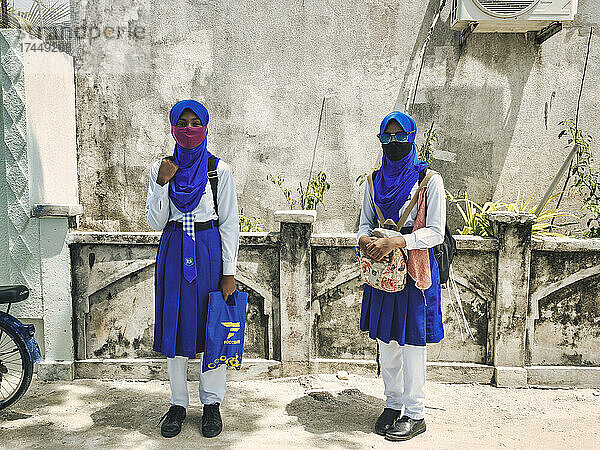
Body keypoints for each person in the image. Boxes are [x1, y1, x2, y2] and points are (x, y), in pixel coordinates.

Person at [145, 99, 240, 439]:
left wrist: (228, 271)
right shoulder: (163, 167)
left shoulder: (219, 170)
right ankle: (177, 403)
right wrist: (160, 183)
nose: (188, 129)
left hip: (208, 251)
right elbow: (155, 220)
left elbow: (229, 224)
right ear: (172, 127)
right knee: (175, 324)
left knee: (212, 325)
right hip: (173, 251)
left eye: (194, 122)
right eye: (181, 123)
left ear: (205, 127)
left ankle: (211, 404)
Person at [356, 111, 445, 441]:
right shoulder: (373, 181)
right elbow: (364, 224)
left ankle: (416, 413)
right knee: (387, 343)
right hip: (381, 272)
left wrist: (400, 240)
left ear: (412, 138)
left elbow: (435, 231)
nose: (394, 143)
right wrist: (366, 240)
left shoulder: (429, 181)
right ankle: (393, 404)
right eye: (387, 137)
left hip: (415, 272)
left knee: (411, 346)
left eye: (400, 136)